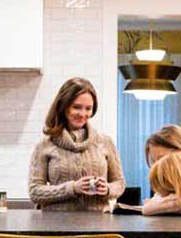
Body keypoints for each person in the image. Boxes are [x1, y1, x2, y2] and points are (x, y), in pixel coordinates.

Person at [27, 77, 124, 211]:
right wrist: (72, 188)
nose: (83, 114)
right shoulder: (45, 145)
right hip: (56, 227)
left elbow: (119, 183)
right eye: (77, 107)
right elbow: (35, 192)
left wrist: (107, 189)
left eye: (88, 108)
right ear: (63, 106)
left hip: (99, 226)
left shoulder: (105, 142)